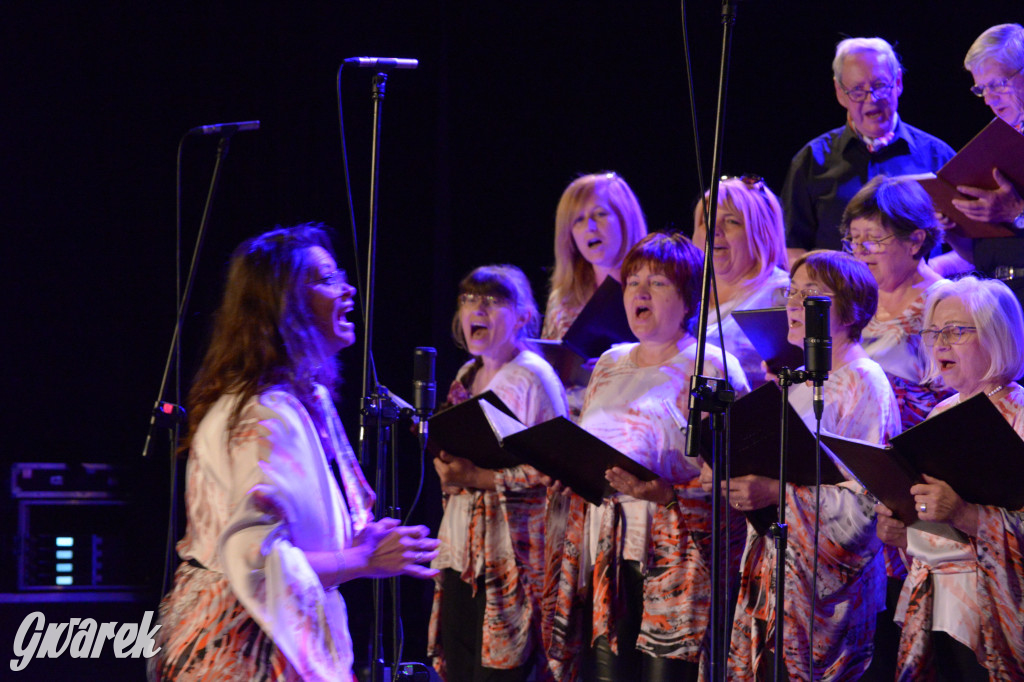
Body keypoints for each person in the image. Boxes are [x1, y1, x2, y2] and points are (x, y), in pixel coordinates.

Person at [149, 224, 439, 682]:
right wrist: (362, 561)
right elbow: (258, 561)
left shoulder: (302, 401)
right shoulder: (263, 414)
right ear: (284, 305)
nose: (348, 289)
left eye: (340, 274)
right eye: (325, 279)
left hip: (266, 637)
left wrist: (357, 544)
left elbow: (294, 535)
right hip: (243, 648)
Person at [545, 232, 750, 682]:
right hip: (609, 553)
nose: (638, 291)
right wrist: (570, 473)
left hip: (678, 561)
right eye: (632, 280)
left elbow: (736, 476)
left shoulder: (711, 367)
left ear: (688, 297)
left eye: (656, 282)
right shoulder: (609, 363)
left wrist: (667, 493)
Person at [706, 250, 901, 681]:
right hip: (775, 572)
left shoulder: (863, 379)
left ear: (850, 309)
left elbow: (870, 501)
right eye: (792, 291)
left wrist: (776, 493)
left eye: (810, 294)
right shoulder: (797, 380)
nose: (794, 303)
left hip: (828, 593)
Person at [875, 276, 1024, 680]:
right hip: (933, 608)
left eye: (956, 331)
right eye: (934, 331)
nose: (940, 343)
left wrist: (964, 514)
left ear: (997, 336)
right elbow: (935, 536)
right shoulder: (938, 415)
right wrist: (902, 530)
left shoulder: (1021, 414)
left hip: (997, 617)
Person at [427, 265, 569, 682]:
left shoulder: (533, 377)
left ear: (523, 315)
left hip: (512, 558)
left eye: (491, 301)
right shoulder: (464, 377)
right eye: (469, 299)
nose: (477, 309)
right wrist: (445, 468)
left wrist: (477, 478)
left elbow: (555, 472)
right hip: (461, 552)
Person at [783, 37, 955, 264]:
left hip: (919, 296)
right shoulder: (811, 161)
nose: (872, 100)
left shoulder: (937, 157)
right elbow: (791, 247)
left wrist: (931, 273)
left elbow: (972, 247)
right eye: (857, 90)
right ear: (839, 92)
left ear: (899, 82)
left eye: (880, 86)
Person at [842, 175, 952, 429]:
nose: (860, 250)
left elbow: (959, 397)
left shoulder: (946, 303)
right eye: (854, 239)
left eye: (873, 239)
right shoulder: (853, 299)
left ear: (915, 240)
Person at [541, 172, 648, 418]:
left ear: (624, 218)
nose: (589, 227)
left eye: (600, 214)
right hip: (571, 421)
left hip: (631, 418)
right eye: (578, 220)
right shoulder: (562, 297)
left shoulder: (655, 287)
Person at [939, 24, 1024, 307]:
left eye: (998, 84)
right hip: (1000, 298)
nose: (989, 99)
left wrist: (1017, 212)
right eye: (981, 89)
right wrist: (953, 229)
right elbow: (983, 255)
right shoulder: (997, 143)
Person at [692, 175, 790, 387]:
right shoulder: (685, 294)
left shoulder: (783, 296)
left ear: (761, 232)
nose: (714, 230)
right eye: (706, 220)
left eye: (731, 221)